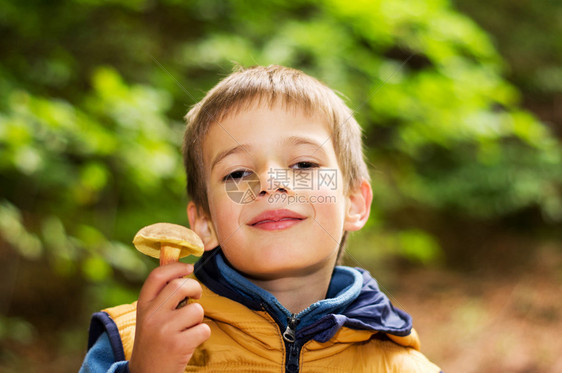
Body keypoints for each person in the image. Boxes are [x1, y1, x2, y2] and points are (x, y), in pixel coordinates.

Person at [80, 65, 442, 372]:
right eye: (237, 174)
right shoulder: (131, 343)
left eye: (303, 164)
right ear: (204, 223)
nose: (270, 183)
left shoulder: (401, 365)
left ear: (354, 203)